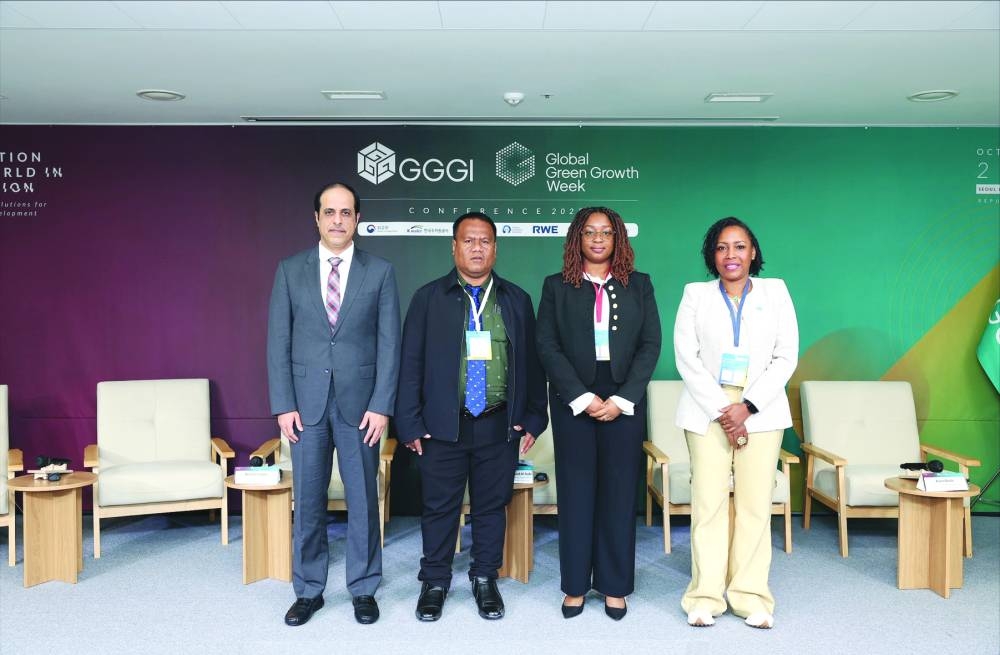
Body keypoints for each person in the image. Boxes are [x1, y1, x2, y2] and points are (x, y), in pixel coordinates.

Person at [395, 211, 548, 622]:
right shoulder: (428, 298)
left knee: (491, 507)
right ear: (454, 247)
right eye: (468, 240)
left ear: (495, 248)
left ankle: (484, 578)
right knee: (439, 508)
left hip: (498, 424)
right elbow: (409, 364)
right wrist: (409, 423)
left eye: (484, 241)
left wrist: (534, 417)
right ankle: (435, 581)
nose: (477, 248)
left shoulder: (516, 300)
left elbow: (532, 364)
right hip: (442, 426)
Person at [266, 182, 400, 626]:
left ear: (357, 219)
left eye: (346, 212)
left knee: (363, 500)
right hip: (305, 408)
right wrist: (283, 404)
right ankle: (308, 590)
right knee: (307, 501)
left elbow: (390, 345)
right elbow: (278, 342)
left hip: (362, 408)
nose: (338, 220)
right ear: (317, 218)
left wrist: (382, 405)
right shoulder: (290, 270)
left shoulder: (380, 272)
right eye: (330, 212)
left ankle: (363, 588)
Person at [535, 207, 662, 620]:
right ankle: (575, 585)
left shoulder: (639, 285)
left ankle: (614, 585)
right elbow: (547, 345)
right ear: (578, 238)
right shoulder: (556, 286)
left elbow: (650, 344)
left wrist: (623, 399)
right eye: (589, 232)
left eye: (606, 232)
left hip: (624, 396)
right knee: (576, 493)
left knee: (619, 493)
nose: (597, 238)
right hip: (573, 398)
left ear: (617, 239)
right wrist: (581, 396)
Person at [674, 216, 798, 630]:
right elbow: (686, 358)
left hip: (761, 410)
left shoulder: (775, 291)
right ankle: (704, 597)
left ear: (753, 252)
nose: (731, 255)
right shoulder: (695, 294)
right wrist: (723, 410)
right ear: (712, 255)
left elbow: (786, 356)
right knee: (708, 504)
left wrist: (747, 406)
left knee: (755, 506)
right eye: (722, 247)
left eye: (740, 246)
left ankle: (750, 597)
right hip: (706, 409)